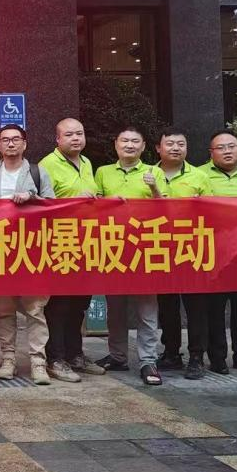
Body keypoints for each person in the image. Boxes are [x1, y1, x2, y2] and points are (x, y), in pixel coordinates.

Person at [179, 131, 237, 375]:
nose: (227, 151)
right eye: (220, 148)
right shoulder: (199, 175)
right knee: (214, 309)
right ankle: (217, 357)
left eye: (231, 146)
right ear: (211, 153)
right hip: (213, 253)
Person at [0, 124, 58, 384]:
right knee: (4, 309)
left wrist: (32, 197)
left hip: (32, 249)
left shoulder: (38, 172)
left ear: (25, 144)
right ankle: (8, 359)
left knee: (35, 309)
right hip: (0, 249)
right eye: (5, 140)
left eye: (16, 139)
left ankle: (38, 362)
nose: (11, 143)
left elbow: (53, 206)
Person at [95, 125, 164, 385]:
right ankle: (118, 356)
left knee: (147, 309)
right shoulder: (102, 172)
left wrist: (154, 189)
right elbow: (93, 206)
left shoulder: (154, 171)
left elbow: (167, 209)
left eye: (135, 141)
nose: (130, 145)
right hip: (113, 247)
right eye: (125, 141)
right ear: (116, 144)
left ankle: (148, 360)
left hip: (145, 249)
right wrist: (107, 202)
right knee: (115, 309)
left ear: (143, 147)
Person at [38, 118, 105, 379]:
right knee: (59, 304)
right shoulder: (46, 165)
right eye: (69, 135)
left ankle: (75, 353)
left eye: (79, 133)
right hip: (60, 243)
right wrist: (75, 202)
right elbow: (42, 205)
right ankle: (55, 358)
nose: (75, 138)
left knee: (79, 303)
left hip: (86, 242)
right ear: (58, 139)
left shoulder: (87, 163)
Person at [153, 128, 212, 379]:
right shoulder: (148, 174)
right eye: (170, 144)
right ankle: (171, 352)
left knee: (196, 305)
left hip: (191, 248)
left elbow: (213, 212)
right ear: (159, 148)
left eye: (181, 144)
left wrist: (201, 205)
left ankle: (197, 356)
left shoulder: (199, 176)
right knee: (166, 305)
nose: (175, 148)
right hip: (159, 247)